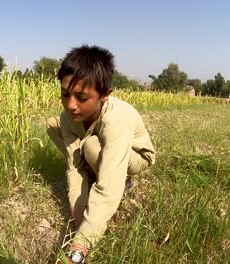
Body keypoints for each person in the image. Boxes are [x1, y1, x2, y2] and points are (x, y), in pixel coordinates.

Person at [46, 44, 155, 263]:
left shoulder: (117, 119)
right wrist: (79, 220)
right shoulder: (68, 117)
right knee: (54, 124)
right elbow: (74, 169)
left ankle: (121, 179)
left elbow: (106, 192)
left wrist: (79, 247)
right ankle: (97, 167)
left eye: (82, 98)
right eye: (65, 94)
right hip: (97, 146)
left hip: (136, 156)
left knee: (91, 147)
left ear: (104, 95)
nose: (71, 105)